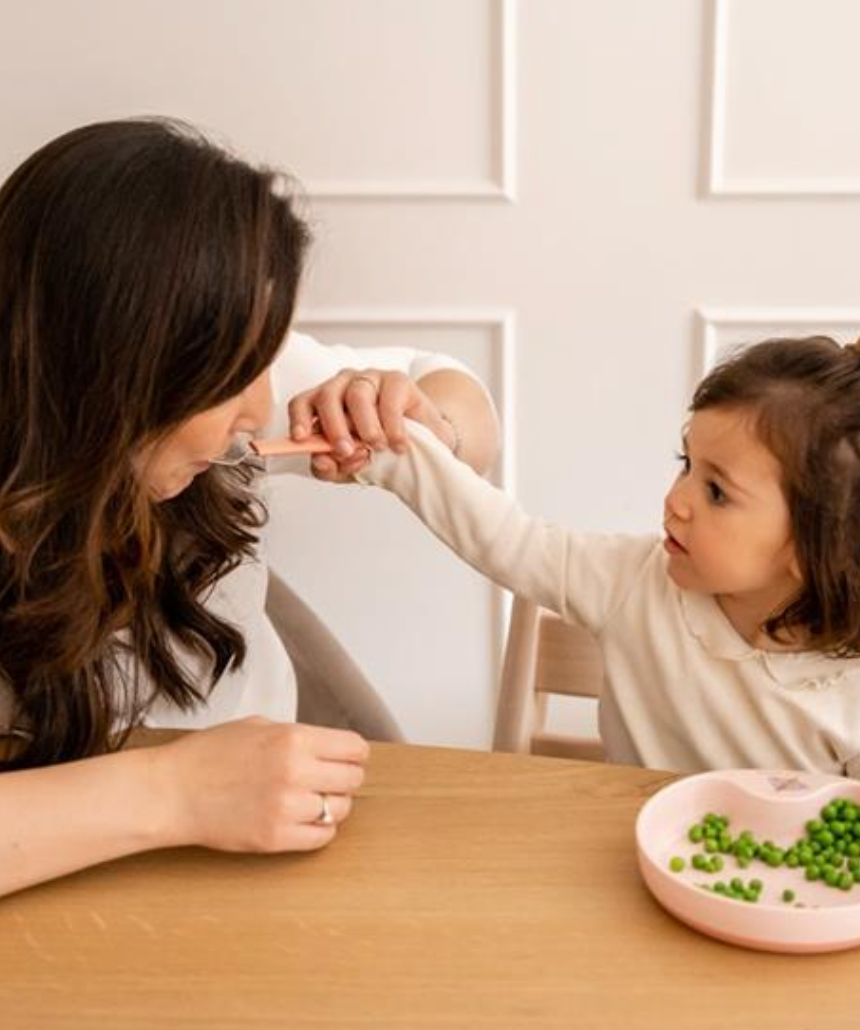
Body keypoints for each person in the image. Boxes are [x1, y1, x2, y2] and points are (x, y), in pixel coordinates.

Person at [0, 117, 499, 897]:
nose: (262, 406)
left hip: (269, 865)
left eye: (268, 358)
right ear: (116, 375)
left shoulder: (217, 402)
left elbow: (460, 396)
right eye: (238, 371)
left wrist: (422, 424)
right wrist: (177, 793)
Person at [302, 331, 860, 815]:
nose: (676, 500)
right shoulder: (633, 581)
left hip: (789, 916)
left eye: (718, 492)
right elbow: (508, 539)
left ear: (815, 544)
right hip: (636, 882)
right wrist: (394, 455)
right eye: (686, 466)